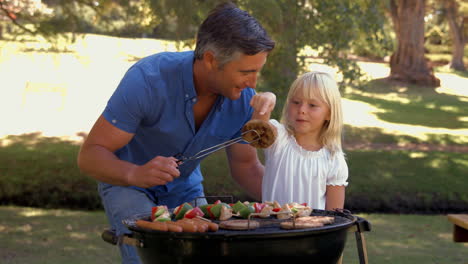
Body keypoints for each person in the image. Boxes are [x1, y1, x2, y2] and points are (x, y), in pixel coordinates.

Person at [77, 2, 275, 263]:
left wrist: (294, 206)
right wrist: (135, 173)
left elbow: (247, 167)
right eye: (246, 72)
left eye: (257, 71)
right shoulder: (148, 80)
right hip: (127, 182)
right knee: (151, 255)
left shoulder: (242, 99)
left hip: (185, 186)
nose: (253, 83)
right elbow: (90, 155)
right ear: (211, 60)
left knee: (203, 255)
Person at [250, 71, 348, 210]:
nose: (301, 109)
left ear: (329, 113)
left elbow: (335, 216)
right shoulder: (279, 138)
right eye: (296, 102)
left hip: (311, 231)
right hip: (270, 229)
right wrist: (267, 100)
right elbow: (256, 132)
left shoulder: (333, 159)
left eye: (312, 105)